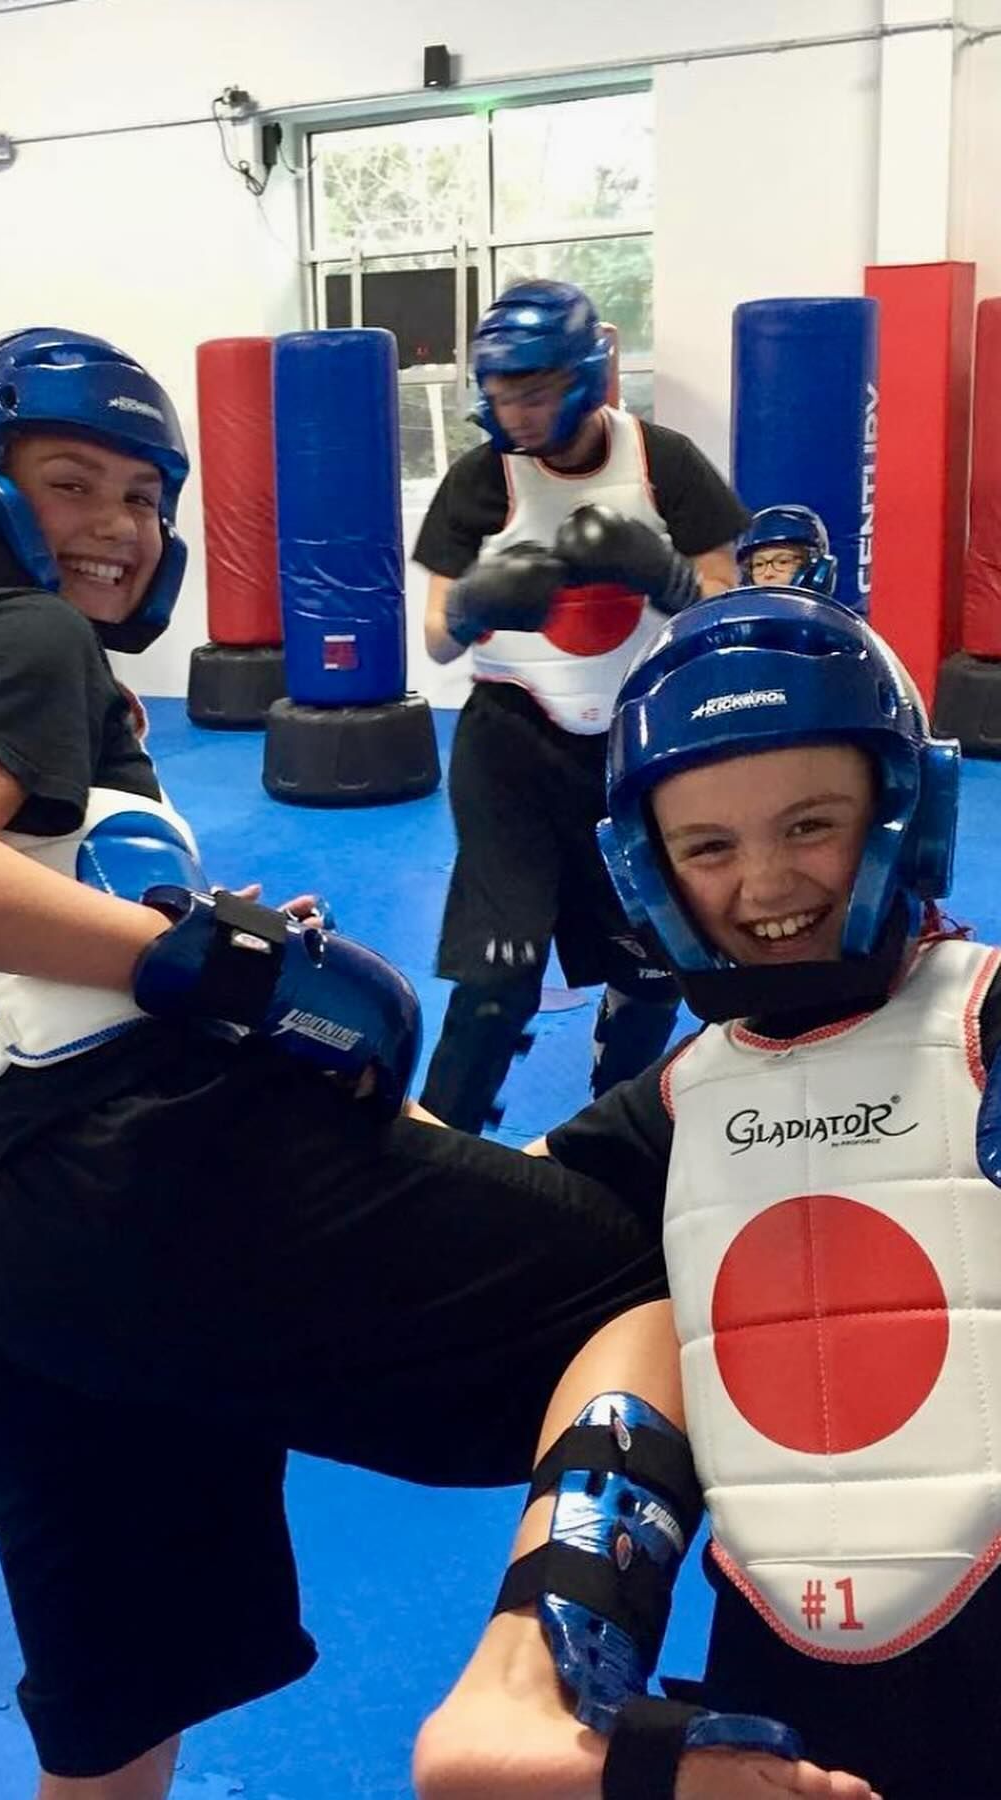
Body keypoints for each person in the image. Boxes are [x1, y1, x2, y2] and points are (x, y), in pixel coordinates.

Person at [0, 325, 685, 1800]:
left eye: (144, 498)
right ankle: (536, 1694)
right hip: (122, 1186)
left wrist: (216, 976)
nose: (117, 528)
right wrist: (209, 967)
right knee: (658, 1290)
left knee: (119, 1714)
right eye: (74, 483)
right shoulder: (17, 637)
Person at [412, 589, 1001, 1800]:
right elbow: (472, 1204)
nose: (765, 881)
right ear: (652, 869)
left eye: (812, 825)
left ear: (900, 816)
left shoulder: (987, 1025)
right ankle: (528, 1671)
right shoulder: (688, 1094)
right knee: (639, 1309)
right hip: (787, 1687)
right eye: (710, 847)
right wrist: (299, 1084)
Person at [415, 279, 752, 1135]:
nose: (515, 414)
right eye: (498, 395)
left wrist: (667, 576)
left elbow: (726, 597)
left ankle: (608, 1131)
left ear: (585, 376)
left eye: (531, 392)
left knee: (653, 965)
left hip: (642, 748)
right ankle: (440, 1148)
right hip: (510, 745)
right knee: (500, 972)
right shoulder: (478, 478)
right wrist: (475, 603)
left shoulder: (662, 461)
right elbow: (437, 641)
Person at [738, 504, 837, 594]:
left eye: (783, 561)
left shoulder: (835, 614)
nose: (768, 574)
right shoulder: (736, 613)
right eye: (758, 564)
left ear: (816, 570)